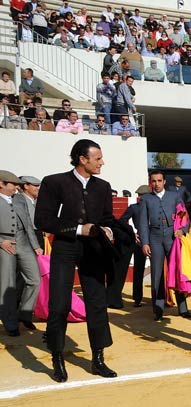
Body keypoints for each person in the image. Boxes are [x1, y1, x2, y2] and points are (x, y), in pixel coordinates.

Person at [35, 139, 119, 382]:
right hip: (65, 247)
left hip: (93, 249)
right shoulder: (54, 182)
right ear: (83, 159)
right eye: (98, 158)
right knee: (59, 304)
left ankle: (98, 359)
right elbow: (43, 220)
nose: (102, 162)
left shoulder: (103, 186)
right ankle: (57, 358)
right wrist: (80, 229)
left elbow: (106, 218)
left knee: (96, 303)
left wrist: (108, 230)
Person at [139, 170, 190, 321]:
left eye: (159, 181)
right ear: (150, 182)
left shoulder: (174, 196)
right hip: (154, 238)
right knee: (157, 274)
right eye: (153, 181)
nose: (156, 184)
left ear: (164, 182)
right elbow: (143, 223)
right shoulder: (146, 199)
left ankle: (183, 307)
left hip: (172, 237)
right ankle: (158, 309)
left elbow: (184, 215)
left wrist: (182, 230)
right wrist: (145, 242)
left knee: (177, 271)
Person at [0, 171, 41, 336]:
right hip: (5, 244)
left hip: (23, 242)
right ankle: (9, 322)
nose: (17, 188)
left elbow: (28, 225)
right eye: (13, 184)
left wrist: (35, 245)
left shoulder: (19, 200)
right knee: (8, 285)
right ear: (1, 184)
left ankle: (24, 314)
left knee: (34, 279)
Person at [118, 185, 149, 307]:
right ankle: (156, 299)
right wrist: (132, 232)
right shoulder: (151, 207)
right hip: (148, 240)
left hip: (142, 240)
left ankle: (138, 299)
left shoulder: (135, 208)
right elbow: (121, 221)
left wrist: (131, 232)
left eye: (141, 195)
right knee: (143, 270)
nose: (140, 197)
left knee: (139, 270)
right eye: (140, 195)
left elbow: (121, 221)